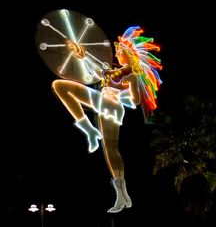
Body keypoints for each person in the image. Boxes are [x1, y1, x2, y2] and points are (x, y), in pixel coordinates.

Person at [51, 25, 163, 213]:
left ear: (129, 54)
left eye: (120, 50)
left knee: (111, 148)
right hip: (100, 99)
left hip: (112, 106)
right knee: (61, 86)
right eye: (117, 50)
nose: (117, 53)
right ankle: (88, 129)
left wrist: (119, 89)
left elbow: (135, 101)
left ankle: (122, 193)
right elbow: (92, 64)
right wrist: (79, 52)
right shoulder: (111, 69)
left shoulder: (132, 75)